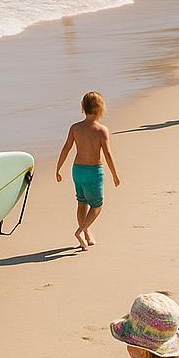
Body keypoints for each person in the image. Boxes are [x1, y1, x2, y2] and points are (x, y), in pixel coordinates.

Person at [54, 91, 121, 250]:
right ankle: (80, 231)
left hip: (77, 170)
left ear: (83, 108)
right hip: (94, 172)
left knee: (81, 201)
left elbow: (66, 148)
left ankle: (87, 234)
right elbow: (108, 154)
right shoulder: (101, 130)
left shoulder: (75, 128)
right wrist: (115, 175)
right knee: (97, 205)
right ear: (100, 109)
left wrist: (58, 168)